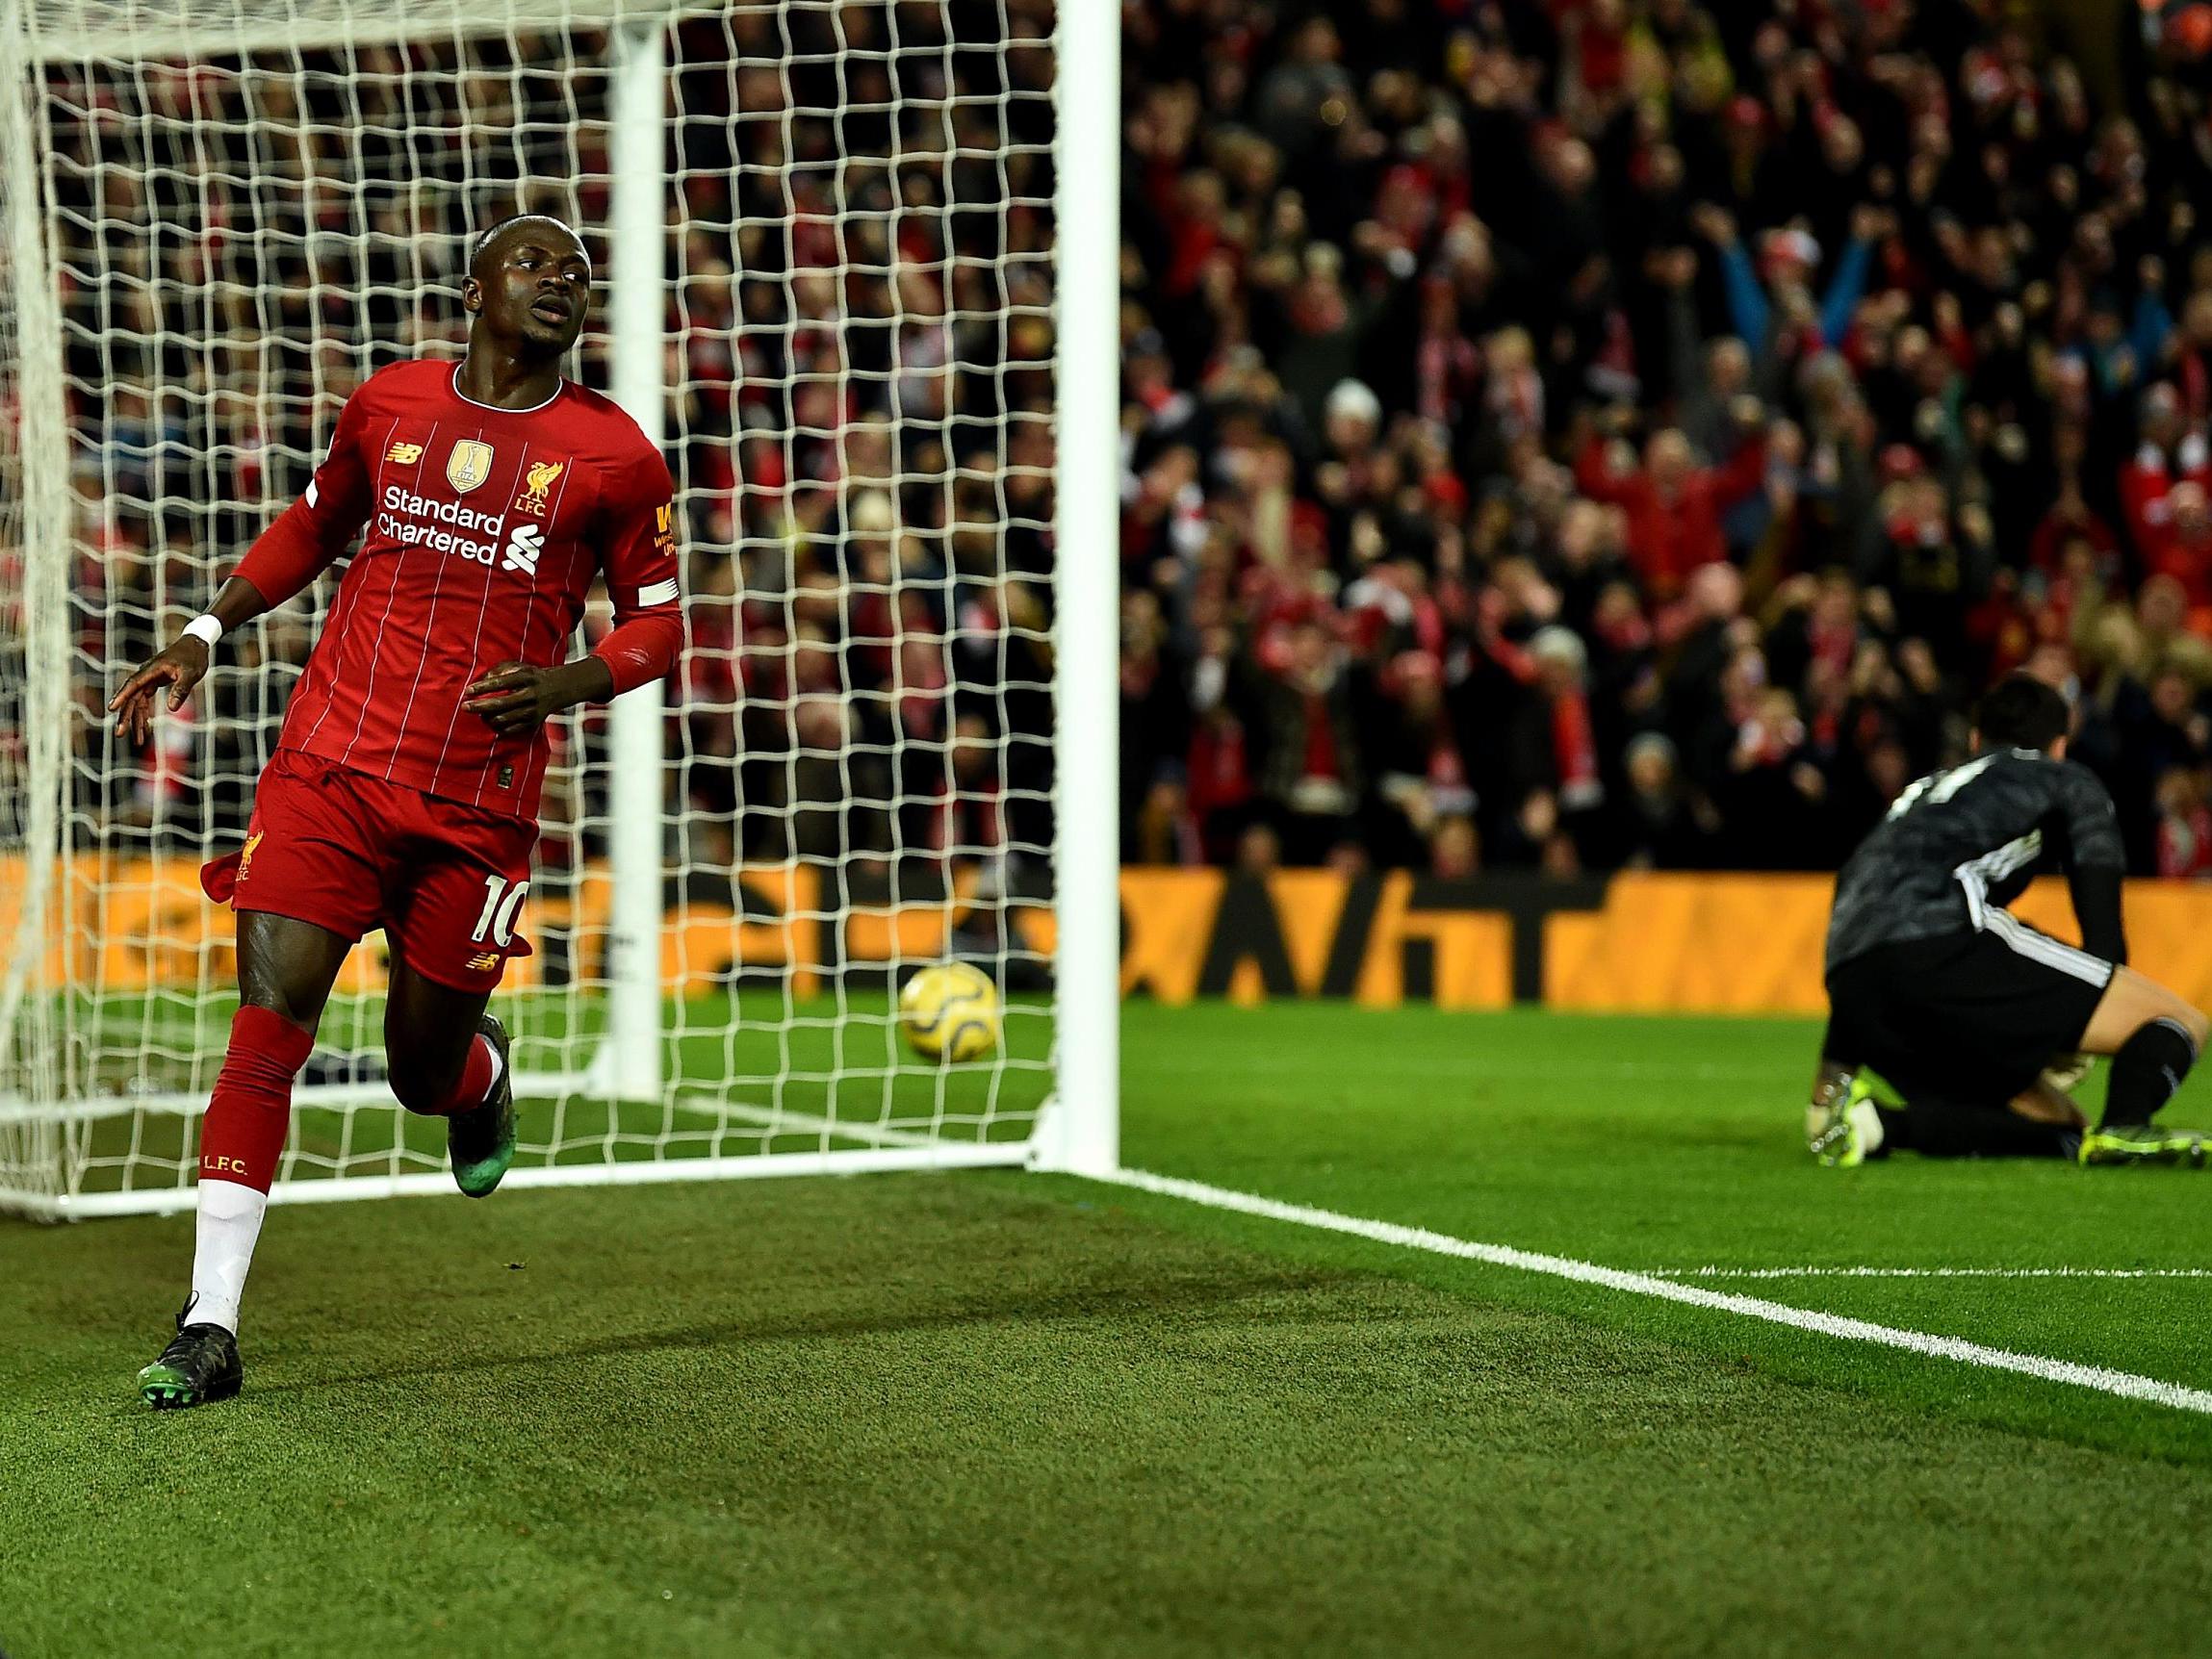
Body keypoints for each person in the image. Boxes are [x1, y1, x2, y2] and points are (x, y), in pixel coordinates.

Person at [109, 215, 686, 1407]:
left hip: (475, 802)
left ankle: (476, 1076)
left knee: (417, 1072)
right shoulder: (390, 405)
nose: (562, 281)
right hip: (330, 761)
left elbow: (660, 623)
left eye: (579, 272)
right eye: (534, 264)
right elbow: (317, 526)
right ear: (474, 288)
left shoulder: (616, 457)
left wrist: (570, 680)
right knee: (270, 1018)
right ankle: (209, 1320)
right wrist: (205, 633)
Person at [1806, 675, 2207, 1167]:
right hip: (1941, 942)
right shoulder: (2064, 778)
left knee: (2061, 1129)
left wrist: (1831, 1077)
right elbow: (2104, 932)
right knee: (2179, 1021)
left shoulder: (1925, 790)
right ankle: (2127, 1125)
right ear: (2058, 745)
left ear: (1976, 740)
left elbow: (1868, 910)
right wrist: (2071, 1031)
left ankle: (1876, 1126)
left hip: (1851, 983)